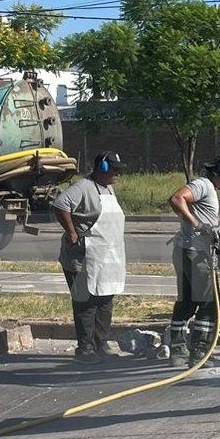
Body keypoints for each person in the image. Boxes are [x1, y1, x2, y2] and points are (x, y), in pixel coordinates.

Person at [167, 152, 220, 368]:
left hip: (185, 251)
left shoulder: (208, 188)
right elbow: (176, 199)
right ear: (219, 171)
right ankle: (200, 354)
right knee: (210, 304)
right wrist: (198, 226)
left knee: (187, 302)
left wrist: (219, 224)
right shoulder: (203, 185)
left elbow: (203, 214)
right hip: (196, 254)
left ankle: (178, 351)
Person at [53, 151, 127, 364]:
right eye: (115, 170)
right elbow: (60, 205)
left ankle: (101, 344)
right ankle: (85, 349)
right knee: (86, 303)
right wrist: (72, 232)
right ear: (102, 168)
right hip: (82, 257)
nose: (118, 175)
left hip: (106, 257)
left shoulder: (108, 189)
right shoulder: (83, 187)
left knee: (105, 300)